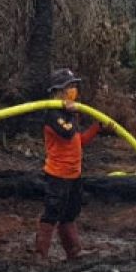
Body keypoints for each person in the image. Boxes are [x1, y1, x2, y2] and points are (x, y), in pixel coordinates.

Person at [38, 68, 101, 260]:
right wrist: (73, 113)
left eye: (74, 86)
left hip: (74, 174)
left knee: (70, 213)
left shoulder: (68, 113)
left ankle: (73, 252)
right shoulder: (53, 114)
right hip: (58, 175)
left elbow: (77, 140)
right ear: (59, 90)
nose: (74, 90)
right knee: (52, 212)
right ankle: (40, 256)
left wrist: (98, 126)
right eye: (70, 87)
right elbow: (66, 132)